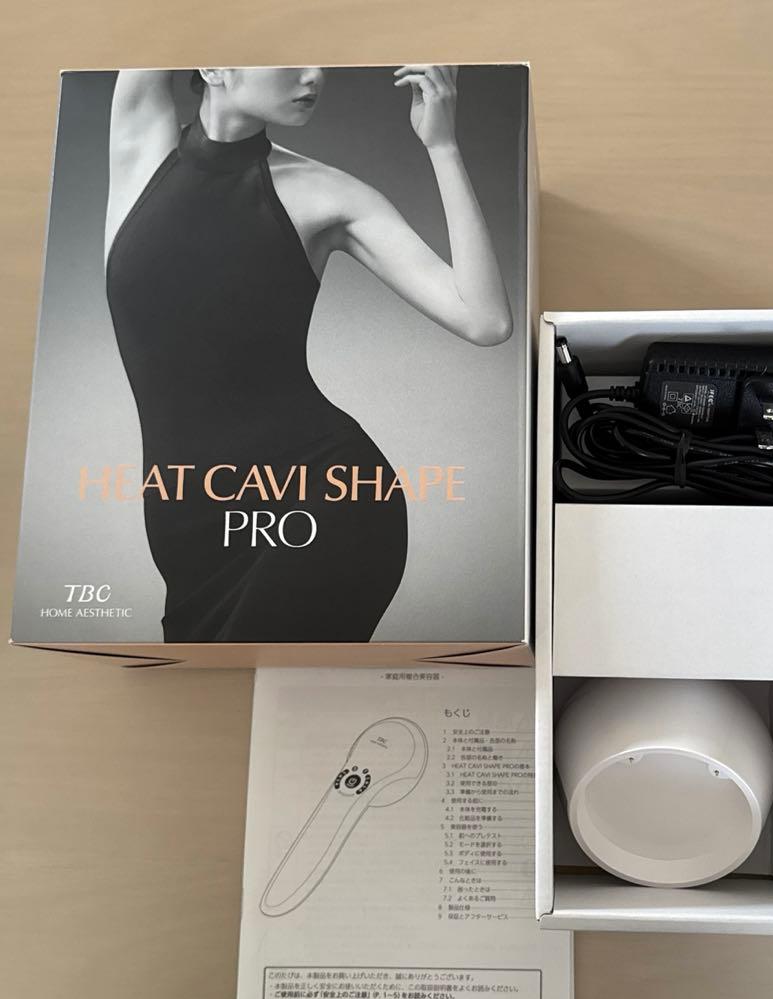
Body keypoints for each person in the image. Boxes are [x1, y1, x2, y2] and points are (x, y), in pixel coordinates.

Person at [103, 65, 512, 643]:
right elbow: (154, 32)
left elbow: (486, 320)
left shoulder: (328, 195)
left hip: (323, 503)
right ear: (212, 65)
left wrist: (442, 146)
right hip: (190, 530)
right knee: (214, 693)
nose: (314, 74)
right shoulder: (139, 145)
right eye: (290, 57)